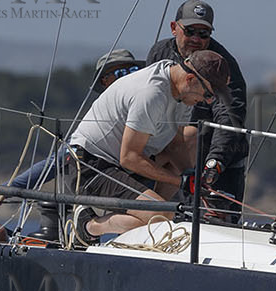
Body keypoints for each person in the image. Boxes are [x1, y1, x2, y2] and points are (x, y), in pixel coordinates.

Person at [59, 51, 226, 244]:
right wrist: (180, 181)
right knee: (160, 216)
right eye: (208, 94)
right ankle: (88, 226)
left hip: (123, 163)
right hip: (91, 165)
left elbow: (175, 145)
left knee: (189, 137)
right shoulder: (151, 94)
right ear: (190, 79)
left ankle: (151, 215)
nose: (207, 101)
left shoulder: (180, 89)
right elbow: (129, 157)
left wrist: (196, 182)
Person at [145, 0, 248, 219]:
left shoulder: (222, 65)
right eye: (190, 31)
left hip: (215, 158)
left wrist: (215, 163)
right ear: (174, 28)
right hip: (166, 153)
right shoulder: (159, 52)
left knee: (215, 227)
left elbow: (229, 116)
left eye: (204, 34)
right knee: (153, 217)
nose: (196, 39)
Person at [9, 50, 145, 194]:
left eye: (133, 71)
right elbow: (57, 161)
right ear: (105, 82)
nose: (130, 77)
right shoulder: (97, 121)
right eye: (121, 73)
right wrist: (9, 188)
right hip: (106, 182)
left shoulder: (149, 105)